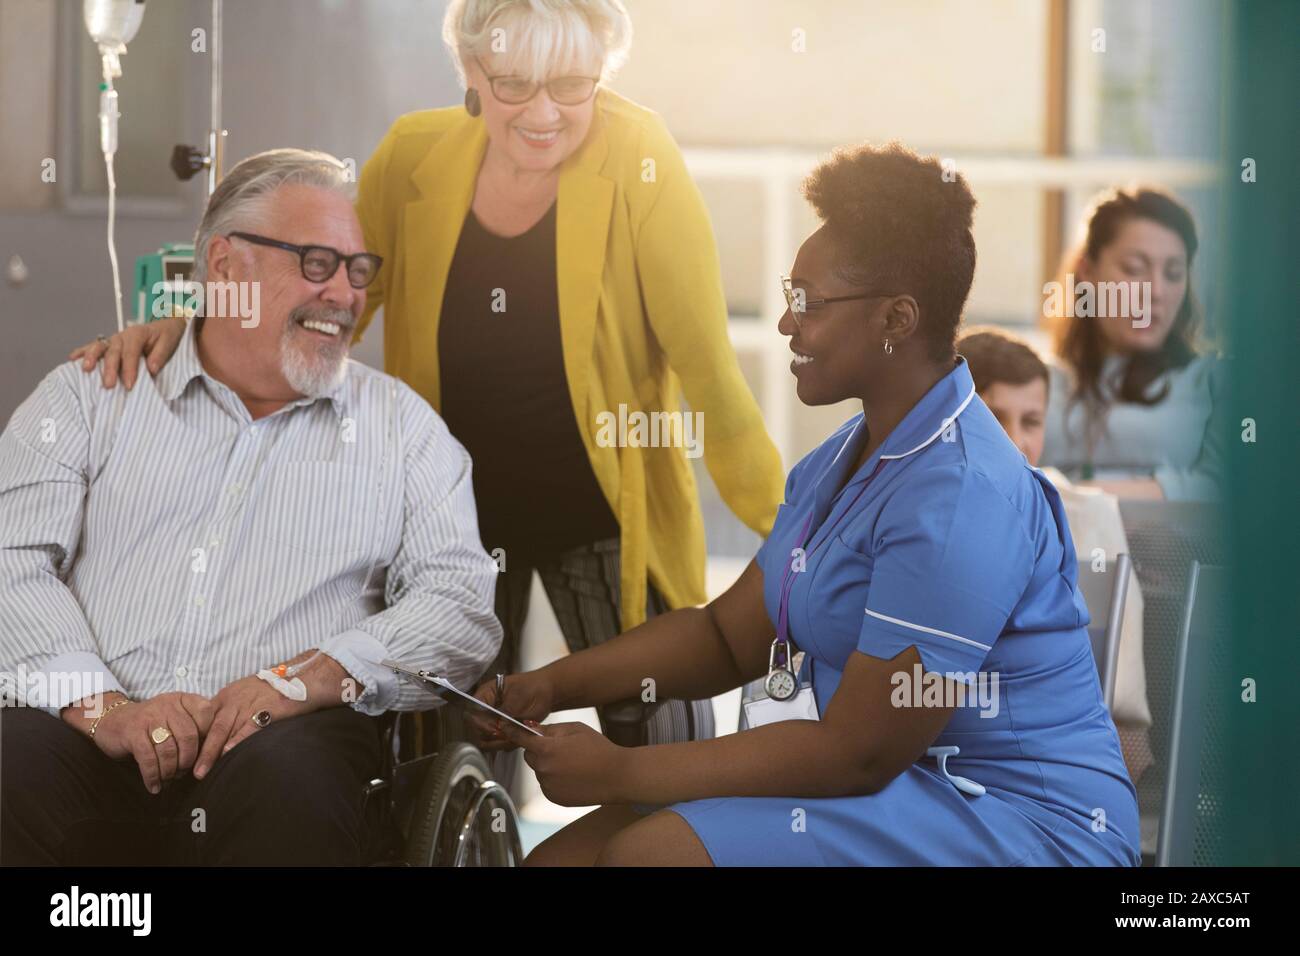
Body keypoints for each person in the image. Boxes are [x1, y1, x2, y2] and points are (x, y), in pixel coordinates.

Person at [69, 0, 783, 749]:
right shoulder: (414, 157)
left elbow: (711, 375)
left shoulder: (639, 155)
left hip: (602, 518)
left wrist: (795, 536)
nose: (544, 113)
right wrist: (189, 334)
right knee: (459, 758)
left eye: (572, 84)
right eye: (514, 84)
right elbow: (321, 302)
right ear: (470, 70)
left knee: (660, 752)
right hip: (459, 526)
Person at [468, 143, 1141, 866]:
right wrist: (545, 685)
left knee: (648, 856)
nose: (787, 325)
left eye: (807, 304)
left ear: (896, 319)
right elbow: (726, 638)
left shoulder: (962, 497)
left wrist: (622, 771)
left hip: (1024, 823)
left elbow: (857, 754)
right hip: (905, 788)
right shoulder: (845, 458)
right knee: (556, 863)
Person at [0, 149, 502, 865]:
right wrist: (103, 707)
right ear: (227, 267)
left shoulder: (402, 430)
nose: (346, 295)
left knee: (294, 786)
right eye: (318, 263)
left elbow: (460, 607)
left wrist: (305, 680)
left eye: (358, 272)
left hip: (286, 751)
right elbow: (10, 558)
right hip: (92, 738)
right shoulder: (90, 394)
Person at [957, 326, 1153, 784]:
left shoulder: (1085, 515)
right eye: (993, 417)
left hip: (1054, 758)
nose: (1015, 441)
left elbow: (1120, 700)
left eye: (1031, 421)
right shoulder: (907, 512)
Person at [1039, 185, 1226, 500]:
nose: (1156, 292)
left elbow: (1224, 492)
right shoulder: (1042, 381)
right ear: (1087, 271)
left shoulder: (1212, 381)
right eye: (1134, 269)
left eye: (1173, 273)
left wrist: (1075, 496)